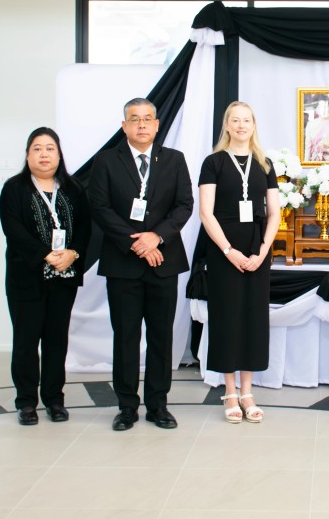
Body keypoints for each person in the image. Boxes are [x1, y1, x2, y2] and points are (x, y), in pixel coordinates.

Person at [89, 98, 193, 431]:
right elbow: (100, 207)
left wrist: (156, 237)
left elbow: (184, 205)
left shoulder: (174, 160)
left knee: (161, 337)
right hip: (123, 264)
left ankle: (158, 405)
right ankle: (126, 407)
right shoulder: (107, 160)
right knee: (126, 337)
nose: (142, 124)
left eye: (148, 119)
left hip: (164, 261)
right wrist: (137, 242)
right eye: (135, 119)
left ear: (157, 125)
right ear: (125, 126)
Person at [0, 128, 90, 425]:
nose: (44, 154)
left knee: (56, 341)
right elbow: (13, 230)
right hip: (26, 278)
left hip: (64, 277)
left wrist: (73, 253)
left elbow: (86, 227)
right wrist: (45, 254)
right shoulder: (14, 189)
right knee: (26, 341)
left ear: (59, 155)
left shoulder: (74, 188)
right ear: (28, 155)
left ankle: (54, 399)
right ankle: (26, 402)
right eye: (37, 148)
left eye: (50, 148)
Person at [198, 102, 280, 423]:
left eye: (247, 120)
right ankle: (230, 391)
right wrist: (228, 250)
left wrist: (263, 251)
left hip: (257, 251)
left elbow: (274, 213)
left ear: (254, 125)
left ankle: (248, 392)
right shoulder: (213, 162)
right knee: (227, 317)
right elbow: (206, 213)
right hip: (224, 250)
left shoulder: (265, 164)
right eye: (236, 120)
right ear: (227, 125)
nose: (241, 125)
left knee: (253, 319)